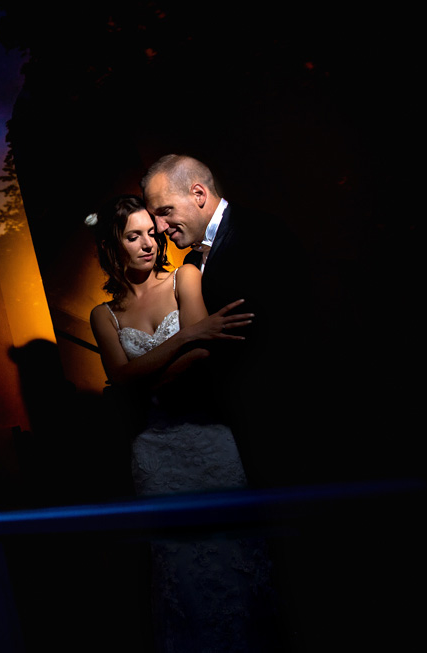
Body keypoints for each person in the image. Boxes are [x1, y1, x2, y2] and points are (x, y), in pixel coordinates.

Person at [87, 194, 282, 651]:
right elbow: (120, 375)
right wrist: (186, 336)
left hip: (210, 437)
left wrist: (146, 377)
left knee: (236, 553)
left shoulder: (184, 277)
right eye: (133, 236)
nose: (148, 244)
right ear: (111, 246)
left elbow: (203, 353)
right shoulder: (103, 314)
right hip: (154, 452)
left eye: (151, 234)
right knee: (179, 563)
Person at [141, 154, 314, 488]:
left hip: (282, 417)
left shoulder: (260, 232)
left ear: (198, 194)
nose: (160, 227)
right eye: (155, 217)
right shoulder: (192, 261)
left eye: (165, 212)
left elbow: (275, 334)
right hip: (232, 423)